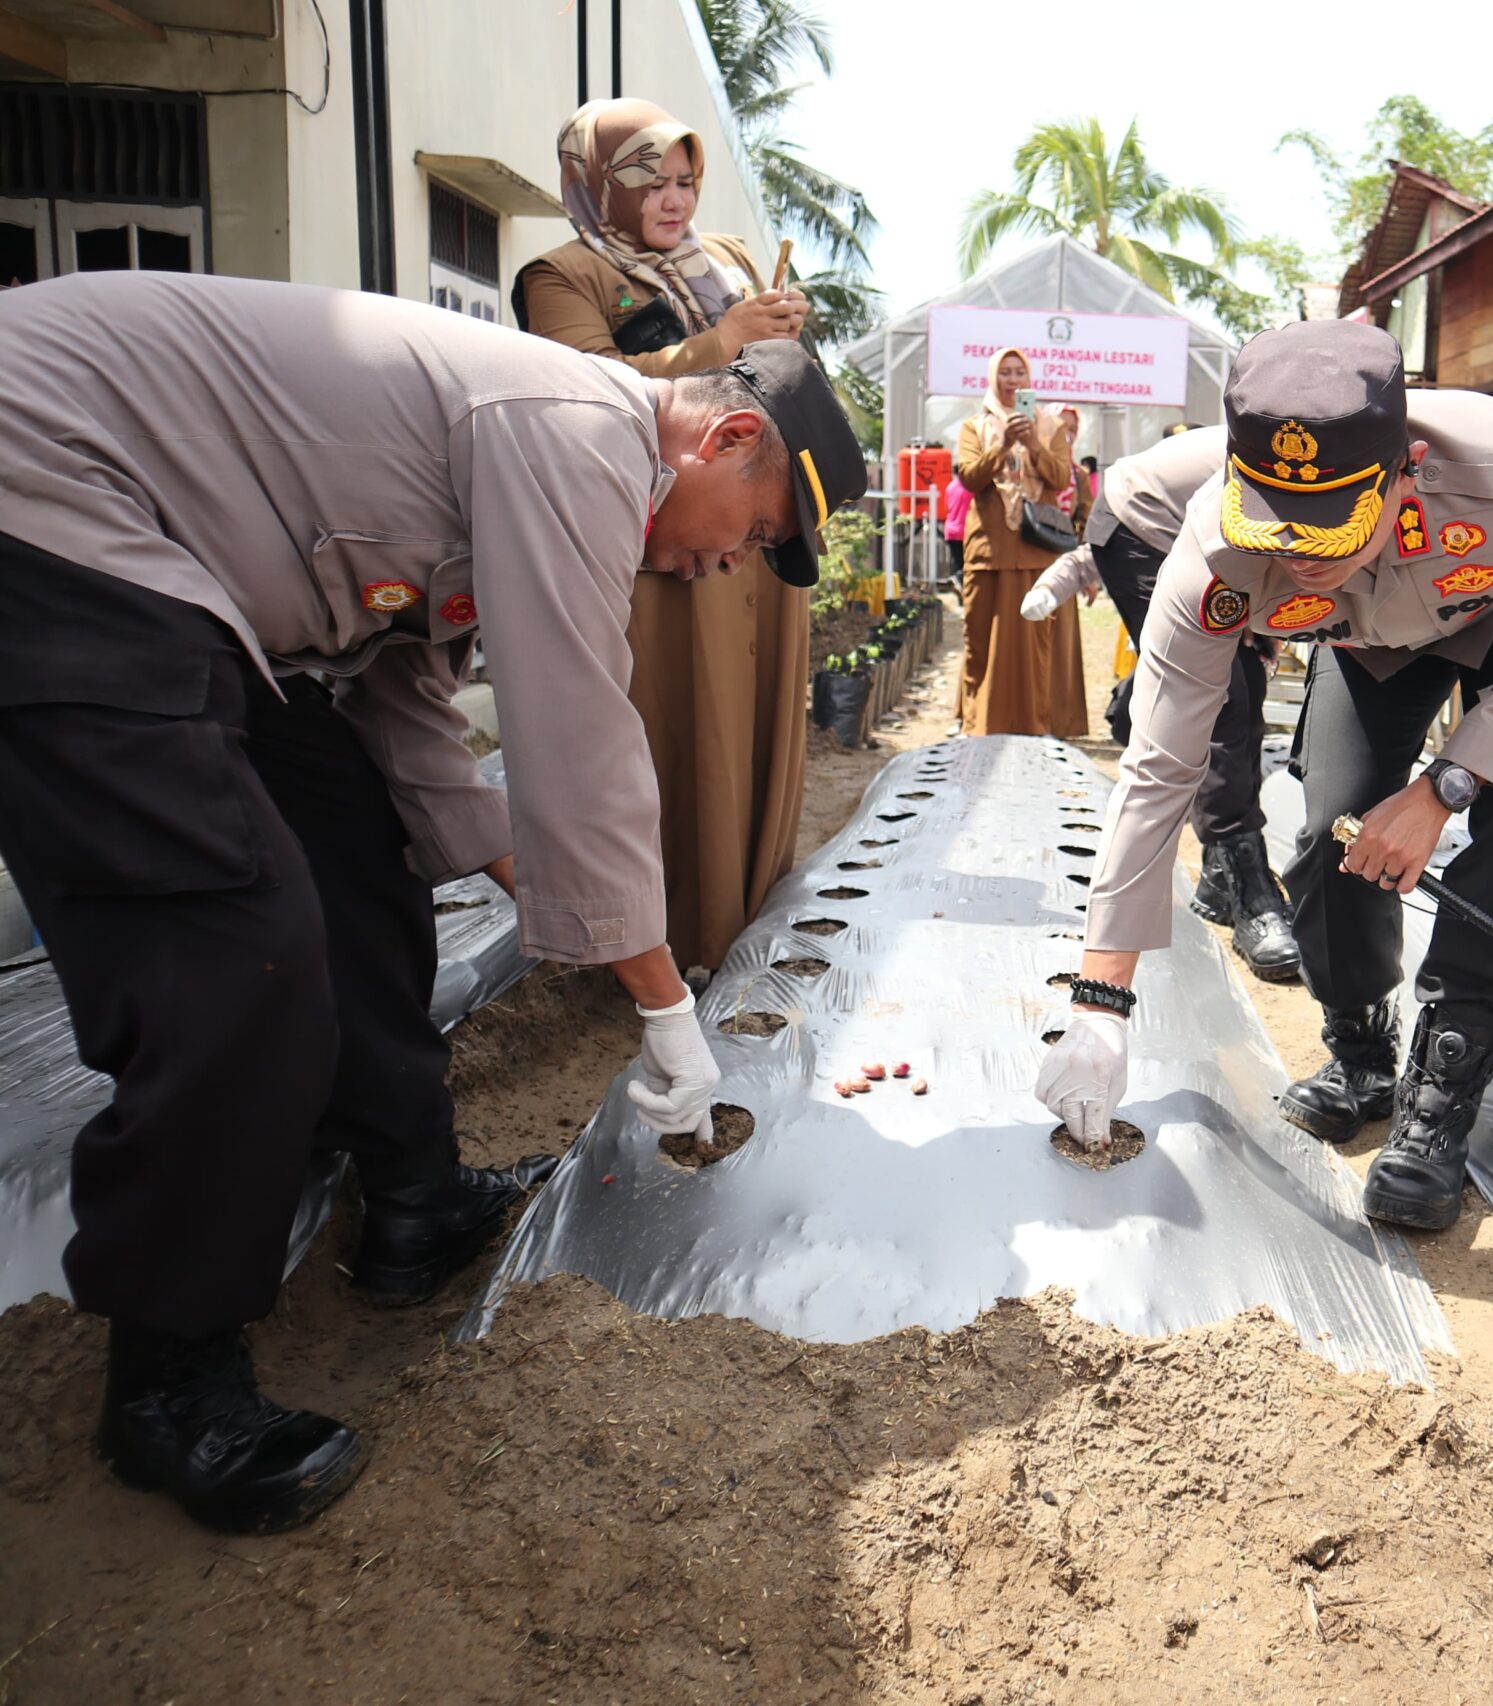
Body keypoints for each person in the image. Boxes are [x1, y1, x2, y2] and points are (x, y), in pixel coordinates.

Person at [0, 270, 863, 1534]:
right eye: (755, 525)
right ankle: (168, 1381)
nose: (732, 557)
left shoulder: (544, 440)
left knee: (358, 856)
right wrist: (661, 998)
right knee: (236, 952)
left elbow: (404, 715)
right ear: (727, 437)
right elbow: (574, 725)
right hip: (55, 495)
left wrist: (550, 887)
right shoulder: (577, 428)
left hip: (221, 594)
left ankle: (411, 1198)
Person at [1034, 321, 1493, 1233]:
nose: (1295, 549)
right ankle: (1360, 1047)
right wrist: (1100, 1001)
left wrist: (1442, 789)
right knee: (1334, 823)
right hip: (1370, 642)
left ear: (1405, 467)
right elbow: (1160, 768)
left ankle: (1442, 1089)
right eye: (1272, 522)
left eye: (1327, 524)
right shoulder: (1215, 548)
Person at [516, 96, 811, 972]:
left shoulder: (723, 259)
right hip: (665, 543)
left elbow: (775, 379)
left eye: (685, 180)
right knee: (687, 725)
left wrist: (782, 339)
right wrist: (720, 342)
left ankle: (754, 918)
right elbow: (584, 391)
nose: (674, 201)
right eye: (649, 184)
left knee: (756, 722)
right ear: (599, 186)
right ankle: (668, 942)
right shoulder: (561, 273)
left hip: (753, 526)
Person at [1019, 425, 1301, 980]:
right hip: (1141, 528)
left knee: (1244, 686)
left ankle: (1222, 877)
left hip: (1200, 528)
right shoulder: (1308, 463)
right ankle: (1246, 885)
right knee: (1219, 694)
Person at [954, 348, 1085, 736]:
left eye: (1019, 373)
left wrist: (1032, 445)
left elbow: (1062, 478)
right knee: (980, 635)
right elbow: (969, 479)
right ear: (993, 379)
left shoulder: (1051, 428)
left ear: (1029, 381)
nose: (1013, 381)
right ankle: (978, 719)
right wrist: (1001, 445)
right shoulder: (974, 427)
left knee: (1038, 638)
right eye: (1005, 373)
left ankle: (1040, 721)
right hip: (990, 548)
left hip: (1038, 548)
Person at [941, 464, 971, 583]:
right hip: (965, 531)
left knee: (958, 563)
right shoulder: (970, 488)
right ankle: (960, 582)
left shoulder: (950, 487)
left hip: (950, 531)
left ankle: (957, 580)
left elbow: (946, 507)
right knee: (968, 566)